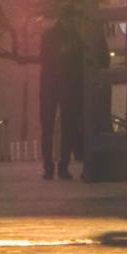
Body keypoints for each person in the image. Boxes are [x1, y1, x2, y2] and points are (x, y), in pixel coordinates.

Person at [36, 9, 88, 180]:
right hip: (63, 85)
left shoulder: (53, 35)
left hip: (53, 85)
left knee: (54, 127)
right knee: (61, 127)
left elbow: (45, 59)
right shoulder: (72, 36)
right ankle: (58, 166)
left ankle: (52, 167)